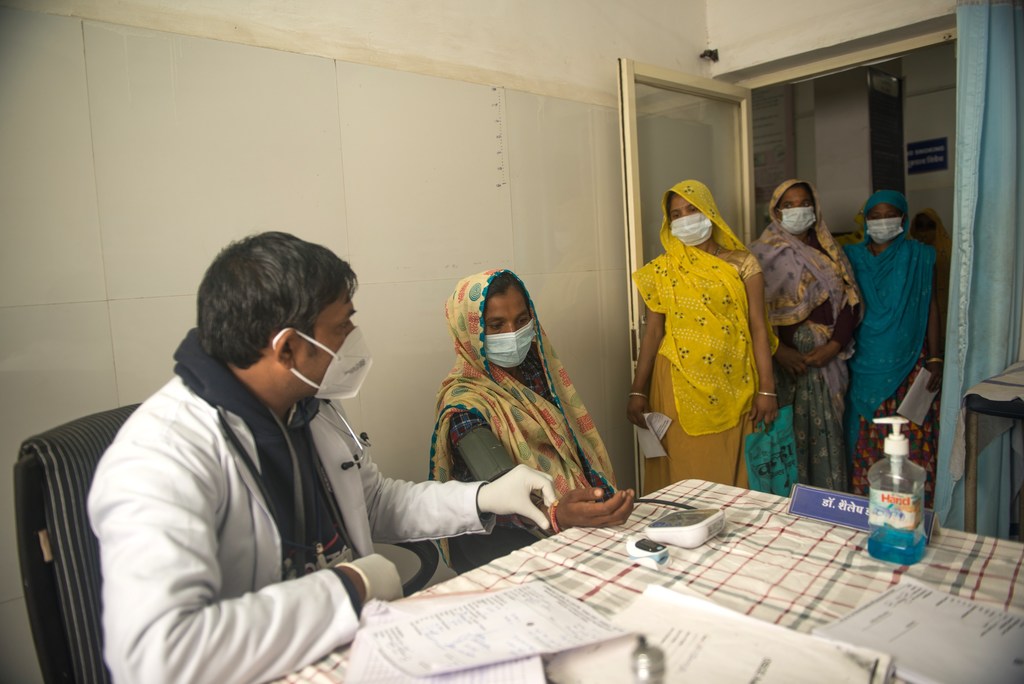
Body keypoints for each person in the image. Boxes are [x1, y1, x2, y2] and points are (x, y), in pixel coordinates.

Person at [87, 232, 556, 683]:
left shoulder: (309, 409)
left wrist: (487, 497)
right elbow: (159, 658)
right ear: (288, 347)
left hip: (351, 649)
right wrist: (347, 588)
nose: (353, 339)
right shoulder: (161, 457)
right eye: (342, 327)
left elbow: (371, 505)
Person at [430, 269, 634, 572]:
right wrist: (555, 513)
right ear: (469, 333)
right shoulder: (465, 405)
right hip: (500, 544)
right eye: (496, 325)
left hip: (561, 524)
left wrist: (595, 498)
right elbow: (502, 485)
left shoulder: (537, 374)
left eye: (522, 320)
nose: (513, 333)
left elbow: (570, 449)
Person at [627, 179, 778, 495]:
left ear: (709, 211)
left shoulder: (742, 263)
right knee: (686, 480)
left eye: (692, 209)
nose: (685, 218)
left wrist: (767, 390)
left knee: (734, 479)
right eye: (676, 214)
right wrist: (637, 391)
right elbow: (653, 332)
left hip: (735, 384)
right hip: (676, 386)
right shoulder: (663, 270)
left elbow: (758, 327)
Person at [750, 179, 862, 491]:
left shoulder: (829, 250)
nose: (798, 210)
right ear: (776, 210)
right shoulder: (758, 254)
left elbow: (850, 303)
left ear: (814, 207)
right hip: (783, 367)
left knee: (826, 434)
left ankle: (827, 504)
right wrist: (778, 352)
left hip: (825, 362)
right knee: (787, 438)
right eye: (789, 205)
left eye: (804, 203)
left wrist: (835, 345)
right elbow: (751, 313)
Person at [844, 191, 943, 506]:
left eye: (889, 214)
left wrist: (936, 356)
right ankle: (866, 509)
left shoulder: (921, 256)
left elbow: (931, 307)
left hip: (910, 364)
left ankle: (914, 511)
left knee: (910, 444)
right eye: (874, 215)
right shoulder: (851, 258)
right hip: (862, 364)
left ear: (903, 218)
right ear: (866, 220)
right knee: (865, 442)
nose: (881, 221)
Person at [910, 208, 951, 330]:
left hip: (947, 309)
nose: (924, 231)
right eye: (920, 226)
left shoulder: (951, 251)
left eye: (929, 226)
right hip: (917, 313)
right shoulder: (909, 253)